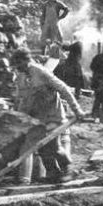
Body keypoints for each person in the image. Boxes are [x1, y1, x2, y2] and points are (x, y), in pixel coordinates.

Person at [12, 49, 85, 182]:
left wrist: (77, 109)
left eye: (19, 64)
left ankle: (68, 168)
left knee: (54, 146)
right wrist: (19, 117)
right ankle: (53, 173)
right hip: (37, 119)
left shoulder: (40, 72)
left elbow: (63, 88)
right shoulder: (21, 77)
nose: (18, 68)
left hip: (53, 115)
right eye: (16, 65)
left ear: (26, 60)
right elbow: (22, 99)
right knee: (42, 148)